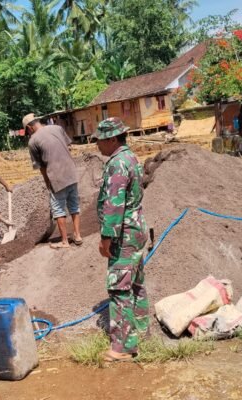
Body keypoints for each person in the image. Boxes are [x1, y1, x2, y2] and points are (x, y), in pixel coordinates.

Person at [93, 117, 149, 362]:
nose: (97, 144)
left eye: (100, 140)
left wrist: (106, 237)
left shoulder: (117, 163)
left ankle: (124, 347)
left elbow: (114, 204)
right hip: (137, 227)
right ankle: (141, 331)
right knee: (135, 282)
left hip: (123, 232)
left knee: (119, 287)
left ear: (113, 139)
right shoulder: (131, 157)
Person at [22, 113, 82, 249]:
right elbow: (68, 146)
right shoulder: (57, 128)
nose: (28, 134)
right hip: (71, 172)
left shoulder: (33, 141)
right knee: (74, 205)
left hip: (56, 176)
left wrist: (47, 182)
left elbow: (41, 167)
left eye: (27, 131)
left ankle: (65, 241)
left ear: (30, 128)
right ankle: (78, 236)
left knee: (58, 209)